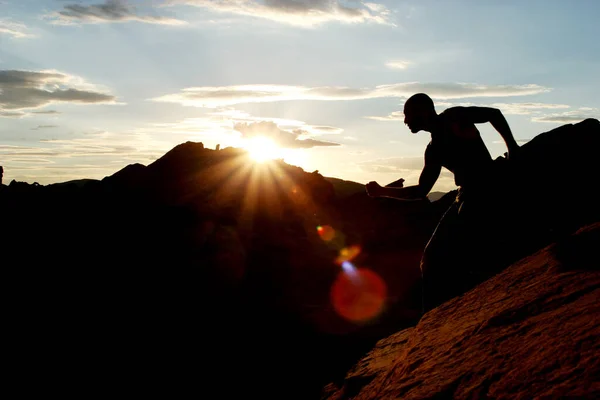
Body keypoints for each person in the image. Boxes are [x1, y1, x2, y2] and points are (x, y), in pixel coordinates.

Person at [365, 93, 520, 313]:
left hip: (481, 191)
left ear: (424, 111)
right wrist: (382, 191)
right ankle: (439, 314)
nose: (406, 121)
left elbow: (493, 114)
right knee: (430, 259)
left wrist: (512, 146)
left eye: (408, 115)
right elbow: (421, 190)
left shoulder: (454, 117)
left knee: (438, 257)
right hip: (466, 194)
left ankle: (451, 311)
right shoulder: (434, 148)